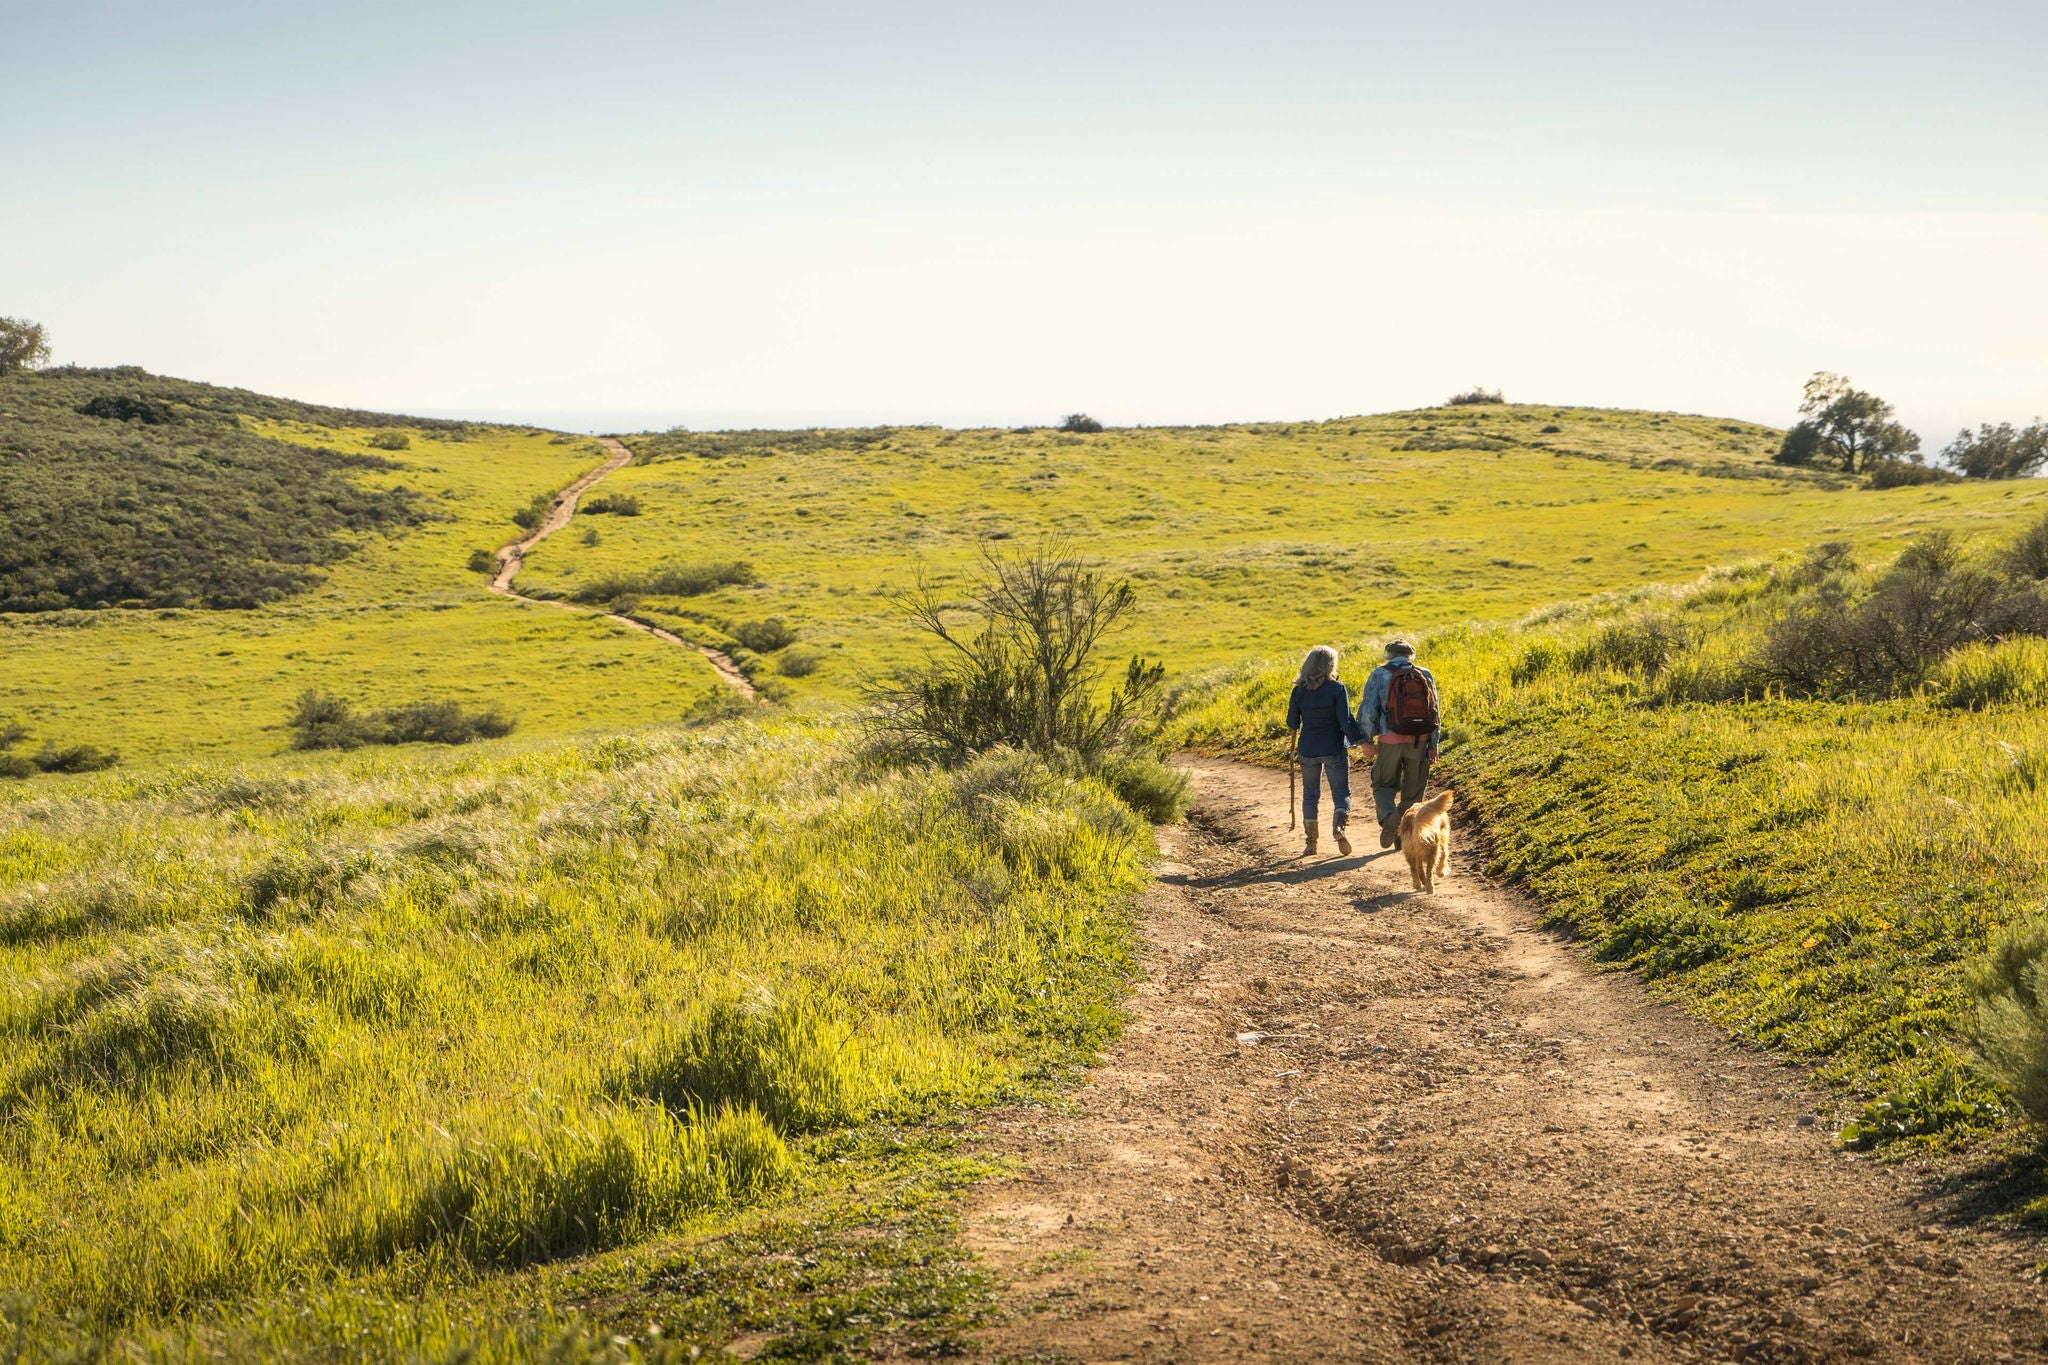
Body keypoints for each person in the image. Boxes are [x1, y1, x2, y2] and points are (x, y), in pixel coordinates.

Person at [1357, 638, 1441, 850]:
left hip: (1389, 739)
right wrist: (1433, 744)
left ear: (1388, 655)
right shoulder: (1424, 674)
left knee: (1383, 784)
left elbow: (1368, 710)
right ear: (1410, 656)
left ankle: (1389, 817)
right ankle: (1402, 835)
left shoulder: (1379, 674)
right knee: (1413, 791)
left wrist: (1365, 741)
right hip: (1419, 740)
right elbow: (1434, 710)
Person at [1285, 645, 1363, 856]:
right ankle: (1338, 827)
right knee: (1341, 793)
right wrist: (1360, 741)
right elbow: (1346, 720)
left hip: (1308, 749)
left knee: (1310, 795)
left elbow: (1292, 722)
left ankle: (1311, 843)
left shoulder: (1298, 691)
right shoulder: (1337, 689)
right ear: (1330, 665)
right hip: (1333, 748)